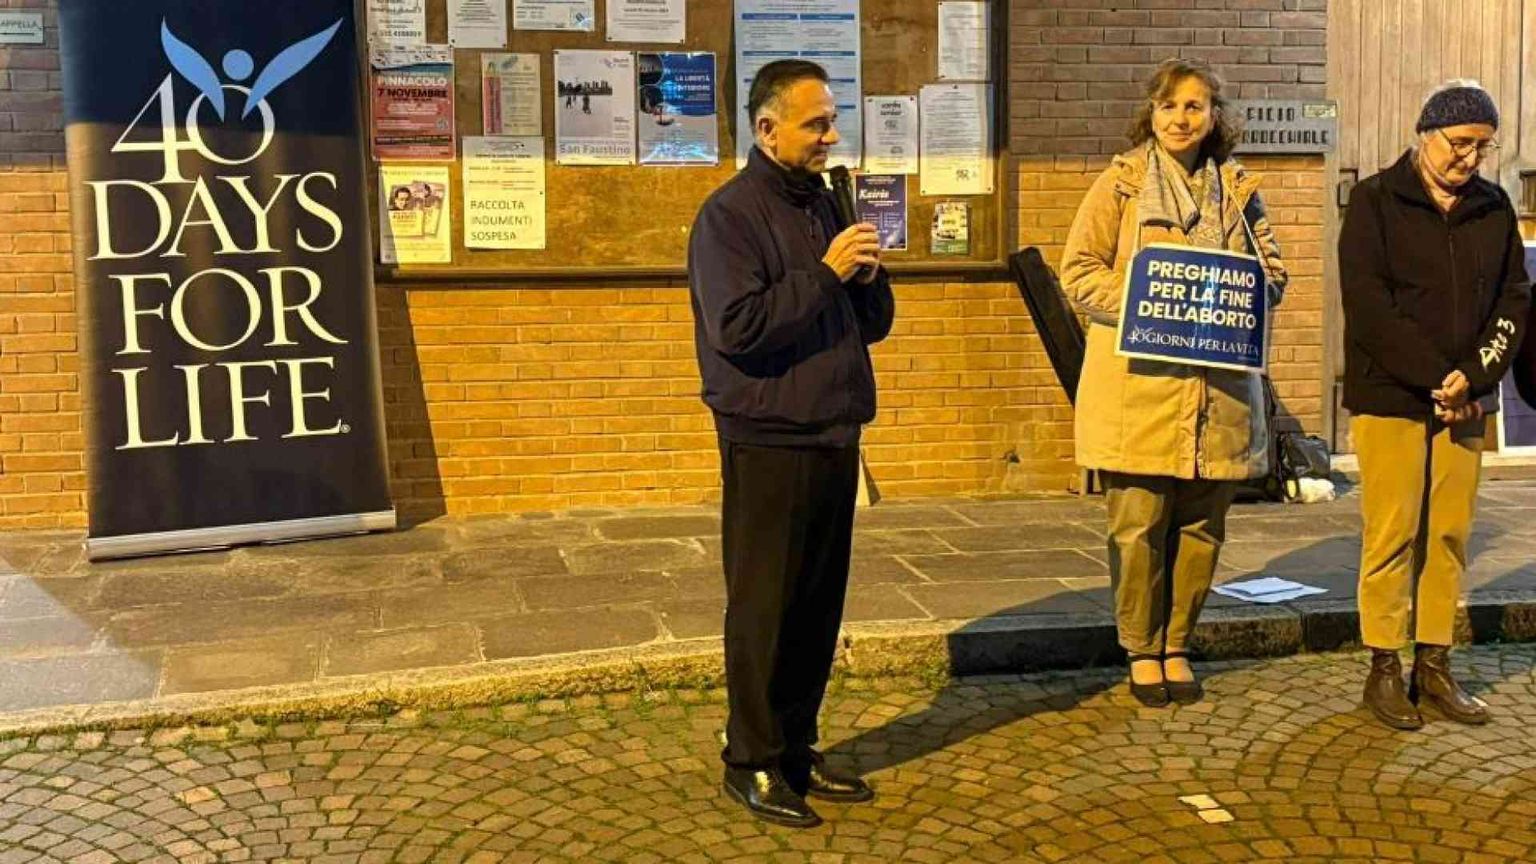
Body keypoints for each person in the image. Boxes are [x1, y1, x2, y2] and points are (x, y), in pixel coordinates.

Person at [687, 58, 894, 828]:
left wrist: (867, 279)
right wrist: (825, 273)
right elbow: (736, 329)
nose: (830, 136)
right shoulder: (728, 217)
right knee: (765, 607)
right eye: (815, 124)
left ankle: (797, 747)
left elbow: (868, 325)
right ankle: (751, 760)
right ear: (767, 128)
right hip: (768, 435)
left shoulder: (828, 204)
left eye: (832, 120)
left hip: (834, 427)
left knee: (815, 607)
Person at [1060, 58, 1287, 708]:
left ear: (1215, 114)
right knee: (1138, 526)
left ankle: (1178, 644)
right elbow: (1078, 272)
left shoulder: (1239, 189)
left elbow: (1273, 273)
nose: (1181, 118)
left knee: (1201, 528)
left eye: (1194, 106)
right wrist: (1153, 298)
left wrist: (1247, 289)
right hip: (1139, 390)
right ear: (1150, 115)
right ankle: (1139, 646)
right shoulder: (1123, 184)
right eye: (1169, 107)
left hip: (1217, 394)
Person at [1339, 79, 1530, 730]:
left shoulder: (1494, 208)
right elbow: (1369, 307)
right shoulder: (1373, 203)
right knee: (1393, 534)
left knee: (1447, 536)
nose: (1470, 158)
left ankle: (1434, 665)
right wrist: (1436, 377)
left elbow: (1513, 301)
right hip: (1392, 396)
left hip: (1467, 401)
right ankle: (1384, 670)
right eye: (1460, 143)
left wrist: (1474, 377)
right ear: (1425, 136)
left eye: (1483, 146)